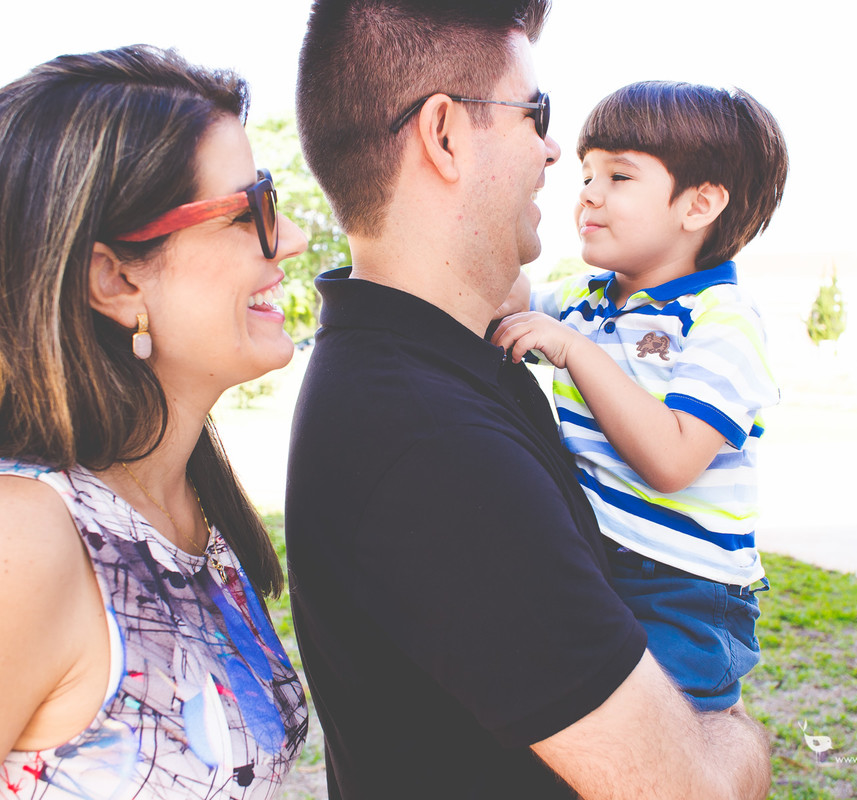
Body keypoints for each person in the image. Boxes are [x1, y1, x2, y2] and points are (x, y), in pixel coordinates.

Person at [286, 1, 771, 797]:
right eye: (535, 114)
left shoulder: (445, 353)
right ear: (443, 136)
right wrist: (734, 732)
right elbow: (691, 790)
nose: (553, 153)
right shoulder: (432, 444)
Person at [0, 46, 309, 800]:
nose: (290, 236)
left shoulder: (185, 515)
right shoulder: (1, 541)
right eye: (251, 209)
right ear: (116, 278)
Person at [492, 80, 789, 714]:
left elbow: (675, 460)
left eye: (619, 177)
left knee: (644, 740)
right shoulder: (587, 296)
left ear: (699, 204)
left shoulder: (723, 321)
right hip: (593, 565)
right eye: (586, 174)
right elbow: (503, 296)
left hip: (681, 592)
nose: (588, 195)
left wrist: (575, 351)